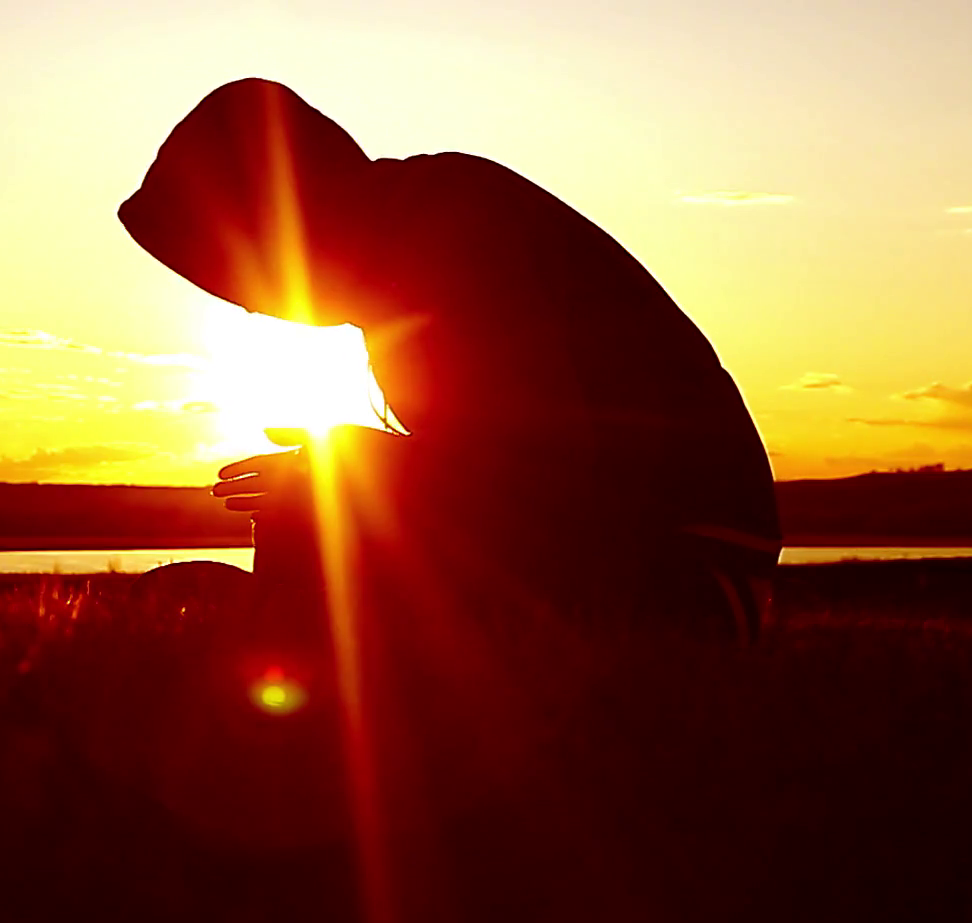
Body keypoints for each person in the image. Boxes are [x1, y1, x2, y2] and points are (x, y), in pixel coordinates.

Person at [119, 79, 779, 643]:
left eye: (247, 279)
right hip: (636, 558)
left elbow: (547, 479)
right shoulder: (411, 244)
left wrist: (357, 467)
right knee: (318, 497)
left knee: (326, 494)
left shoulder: (454, 230)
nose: (262, 309)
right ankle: (285, 634)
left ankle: (286, 636)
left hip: (688, 581)